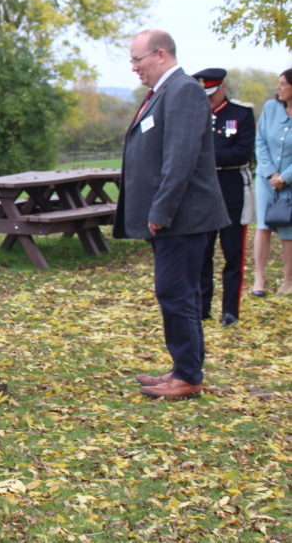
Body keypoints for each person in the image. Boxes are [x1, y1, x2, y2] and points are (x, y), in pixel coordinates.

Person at [114, 30, 229, 399]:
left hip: (183, 217)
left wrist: (161, 209)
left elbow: (180, 158)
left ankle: (188, 377)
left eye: (138, 59)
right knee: (180, 294)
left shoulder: (183, 91)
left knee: (176, 293)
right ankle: (183, 369)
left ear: (160, 54)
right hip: (174, 218)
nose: (134, 68)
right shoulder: (164, 92)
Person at [191, 68, 255, 326]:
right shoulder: (195, 114)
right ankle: (202, 308)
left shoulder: (241, 114)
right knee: (202, 253)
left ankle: (230, 310)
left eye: (211, 93)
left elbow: (242, 153)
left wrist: (206, 158)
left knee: (233, 253)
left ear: (223, 88)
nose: (207, 100)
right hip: (203, 191)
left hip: (231, 190)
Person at [251, 68, 292, 296]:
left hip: (290, 181)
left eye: (283, 84)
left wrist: (285, 177)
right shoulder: (270, 108)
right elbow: (261, 142)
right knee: (263, 226)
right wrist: (271, 175)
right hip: (266, 179)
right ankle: (259, 279)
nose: (279, 88)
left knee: (288, 229)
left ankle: (289, 280)